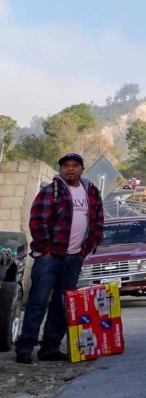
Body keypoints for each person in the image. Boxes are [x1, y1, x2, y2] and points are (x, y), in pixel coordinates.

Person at [15, 152, 104, 364]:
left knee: (62, 304)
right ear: (61, 170)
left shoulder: (90, 192)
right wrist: (45, 249)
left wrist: (86, 248)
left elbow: (98, 221)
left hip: (74, 258)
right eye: (66, 166)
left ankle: (50, 348)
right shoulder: (51, 191)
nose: (70, 169)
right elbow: (37, 220)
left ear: (82, 169)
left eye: (75, 165)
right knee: (37, 301)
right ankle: (25, 348)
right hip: (49, 258)